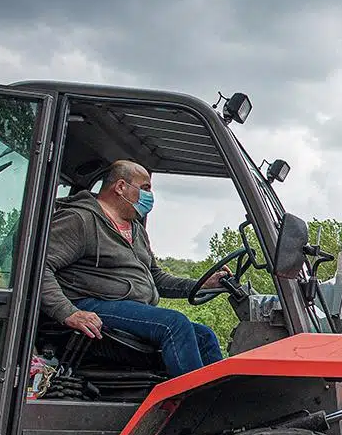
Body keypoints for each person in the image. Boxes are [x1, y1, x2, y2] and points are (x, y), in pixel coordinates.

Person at [40, 160, 229, 378]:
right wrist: (69, 312)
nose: (150, 196)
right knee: (174, 324)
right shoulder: (81, 220)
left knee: (204, 336)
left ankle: (217, 402)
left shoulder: (136, 229)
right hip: (91, 302)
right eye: (145, 188)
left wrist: (204, 284)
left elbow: (156, 278)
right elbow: (39, 266)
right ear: (120, 187)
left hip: (129, 307)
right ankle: (194, 405)